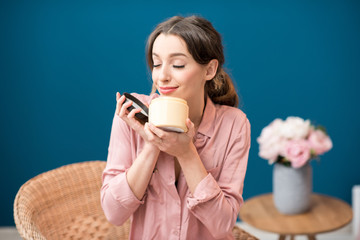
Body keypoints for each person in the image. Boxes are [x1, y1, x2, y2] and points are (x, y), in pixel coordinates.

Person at [101, 15, 251, 240]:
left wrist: (186, 153)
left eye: (178, 64)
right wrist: (152, 145)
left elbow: (222, 225)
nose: (162, 76)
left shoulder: (234, 124)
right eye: (157, 63)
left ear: (209, 70)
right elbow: (114, 213)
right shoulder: (130, 116)